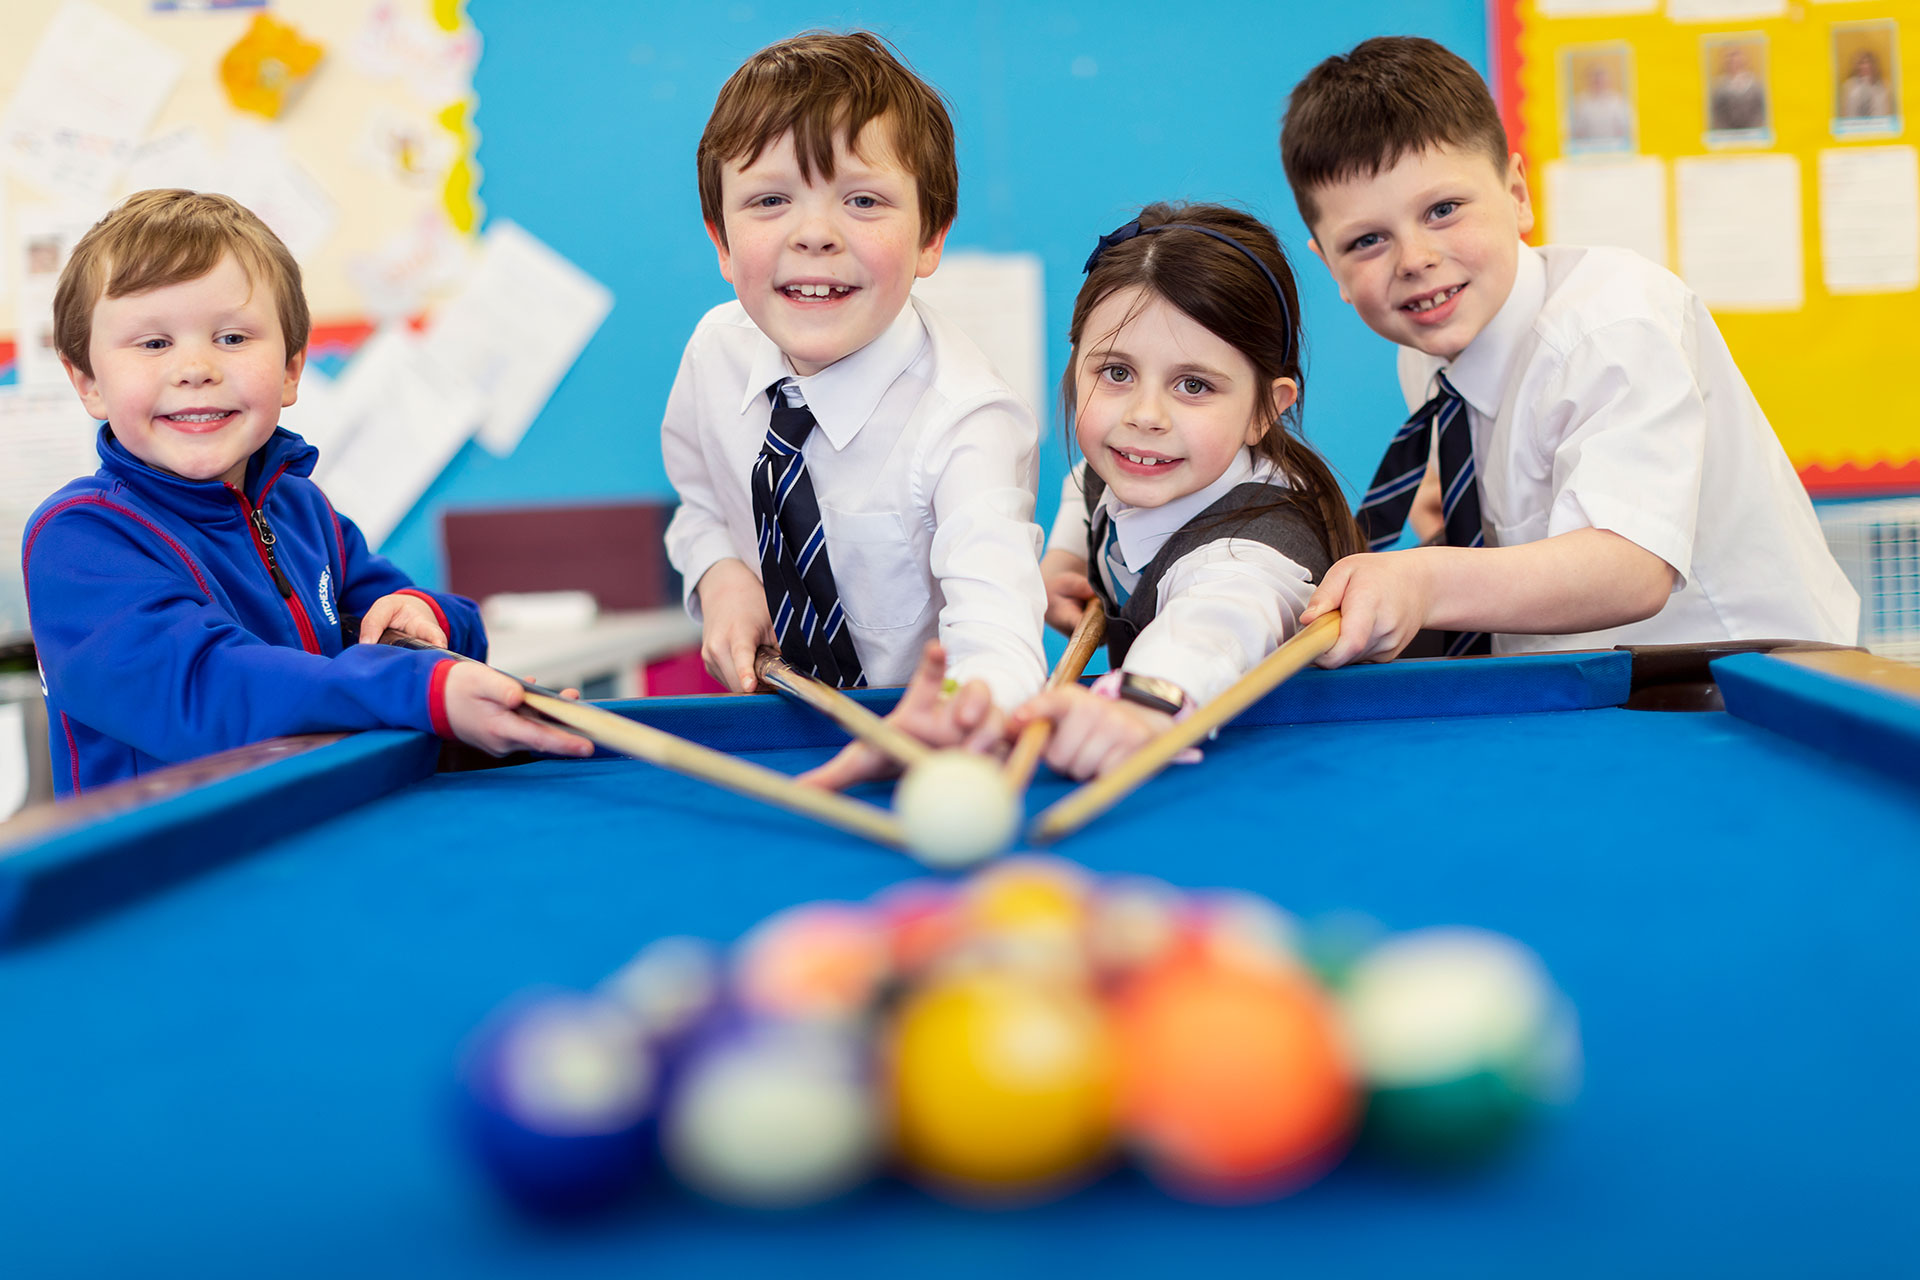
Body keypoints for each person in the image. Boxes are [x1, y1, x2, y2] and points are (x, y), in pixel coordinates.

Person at [1278, 37, 1857, 668]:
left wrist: (1426, 579)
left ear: (1518, 195)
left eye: (1443, 210)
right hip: (1584, 682)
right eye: (1367, 241)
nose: (1414, 260)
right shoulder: (1427, 355)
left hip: (1752, 679)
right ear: (1328, 264)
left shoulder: (1613, 324)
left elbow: (1631, 567)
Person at [25, 189, 591, 797]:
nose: (195, 369)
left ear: (292, 369)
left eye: (232, 338)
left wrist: (428, 624)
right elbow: (209, 689)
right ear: (88, 382)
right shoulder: (78, 539)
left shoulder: (302, 509)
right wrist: (419, 690)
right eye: (153, 343)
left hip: (320, 830)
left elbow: (434, 622)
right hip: (172, 854)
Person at [661, 30, 1048, 784]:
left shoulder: (970, 421)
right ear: (722, 242)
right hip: (775, 748)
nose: (814, 235)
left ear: (931, 237)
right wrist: (720, 574)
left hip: (919, 756)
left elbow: (996, 628)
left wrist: (968, 717)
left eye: (863, 200)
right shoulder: (714, 352)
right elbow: (699, 504)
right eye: (770, 200)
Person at [1005, 204, 1361, 779]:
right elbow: (1085, 488)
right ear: (1075, 367)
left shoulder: (1251, 553)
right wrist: (1065, 559)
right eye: (1116, 372)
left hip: (1269, 785)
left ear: (1265, 410)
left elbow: (1221, 619)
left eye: (1193, 385)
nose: (1145, 415)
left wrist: (1145, 704)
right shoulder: (1124, 466)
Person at [1568, 59, 1632, 146]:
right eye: (1594, 78)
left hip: (1615, 148)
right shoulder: (1579, 102)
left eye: (1601, 78)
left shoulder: (1619, 101)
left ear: (1608, 80)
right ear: (1587, 80)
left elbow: (1627, 128)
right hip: (1586, 149)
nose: (1598, 81)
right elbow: (1572, 130)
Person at [1708, 44, 1767, 132]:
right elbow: (1716, 113)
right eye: (1729, 56)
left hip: (1753, 133)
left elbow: (1761, 110)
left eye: (1736, 55)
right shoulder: (1719, 87)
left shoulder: (1755, 84)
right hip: (1727, 134)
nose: (1733, 60)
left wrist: (1751, 131)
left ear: (1744, 58)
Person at [1840, 49, 1893, 120]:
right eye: (1862, 63)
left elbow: (1888, 113)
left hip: (1879, 124)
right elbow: (1844, 113)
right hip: (1853, 124)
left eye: (1869, 62)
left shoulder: (1884, 86)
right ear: (1856, 66)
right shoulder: (1848, 86)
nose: (1866, 66)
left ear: (1874, 66)